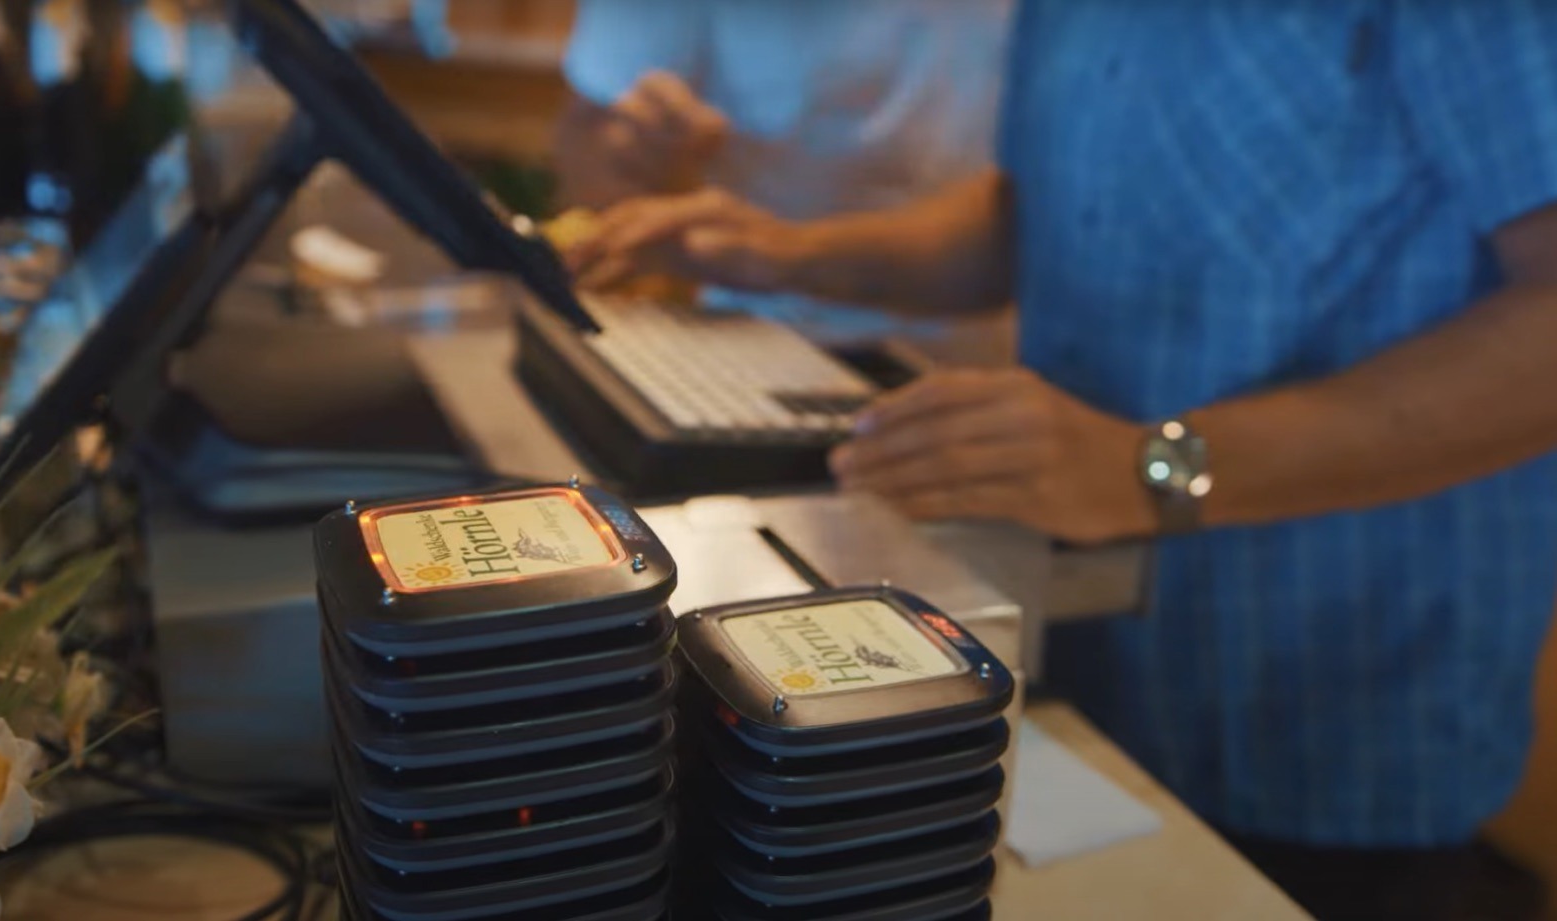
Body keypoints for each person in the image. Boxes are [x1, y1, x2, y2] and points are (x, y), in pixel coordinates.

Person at [565, 4, 1557, 919]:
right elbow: (1028, 214)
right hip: (1088, 657)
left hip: (1337, 699)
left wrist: (1146, 469)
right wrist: (790, 254)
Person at [554, 0, 1014, 357]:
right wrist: (636, 155)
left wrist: (783, 252)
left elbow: (1007, 233)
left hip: (990, 362)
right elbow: (591, 147)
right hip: (747, 337)